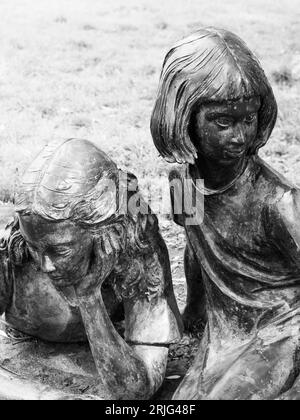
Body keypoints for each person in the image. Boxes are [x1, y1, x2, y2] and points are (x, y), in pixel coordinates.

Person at [151, 27, 300, 400]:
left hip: (283, 324)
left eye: (248, 120)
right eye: (223, 122)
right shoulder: (183, 181)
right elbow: (196, 248)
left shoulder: (278, 201)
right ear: (183, 117)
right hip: (228, 322)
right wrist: (195, 313)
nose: (240, 137)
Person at [0, 138, 182, 400]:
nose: (44, 265)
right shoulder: (12, 247)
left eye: (60, 250)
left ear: (104, 232)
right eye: (34, 247)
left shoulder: (140, 253)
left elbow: (136, 390)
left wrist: (89, 297)